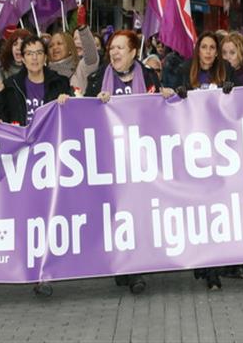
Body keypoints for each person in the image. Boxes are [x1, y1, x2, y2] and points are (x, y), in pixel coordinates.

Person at [0, 35, 70, 297]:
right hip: (23, 160)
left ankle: (44, 272)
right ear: (22, 58)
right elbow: (0, 120)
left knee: (47, 216)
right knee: (28, 217)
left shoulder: (59, 83)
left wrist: (67, 100)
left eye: (39, 52)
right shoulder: (11, 84)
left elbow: (73, 116)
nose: (35, 58)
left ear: (45, 57)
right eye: (30, 53)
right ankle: (32, 267)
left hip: (50, 158)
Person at [86, 30, 161, 294]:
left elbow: (160, 111)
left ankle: (135, 269)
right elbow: (82, 113)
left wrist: (168, 96)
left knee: (136, 214)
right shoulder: (98, 80)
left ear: (132, 52)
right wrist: (95, 103)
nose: (114, 52)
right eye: (112, 48)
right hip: (110, 160)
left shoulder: (149, 77)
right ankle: (121, 265)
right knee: (116, 215)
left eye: (120, 48)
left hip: (140, 159)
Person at [174, 31, 234, 290]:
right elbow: (168, 105)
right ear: (198, 50)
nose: (208, 52)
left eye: (213, 48)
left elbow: (241, 107)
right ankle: (200, 261)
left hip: (219, 151)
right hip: (192, 149)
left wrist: (233, 93)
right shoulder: (185, 72)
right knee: (197, 211)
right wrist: (178, 96)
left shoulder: (226, 72)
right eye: (204, 47)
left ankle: (212, 269)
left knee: (215, 210)